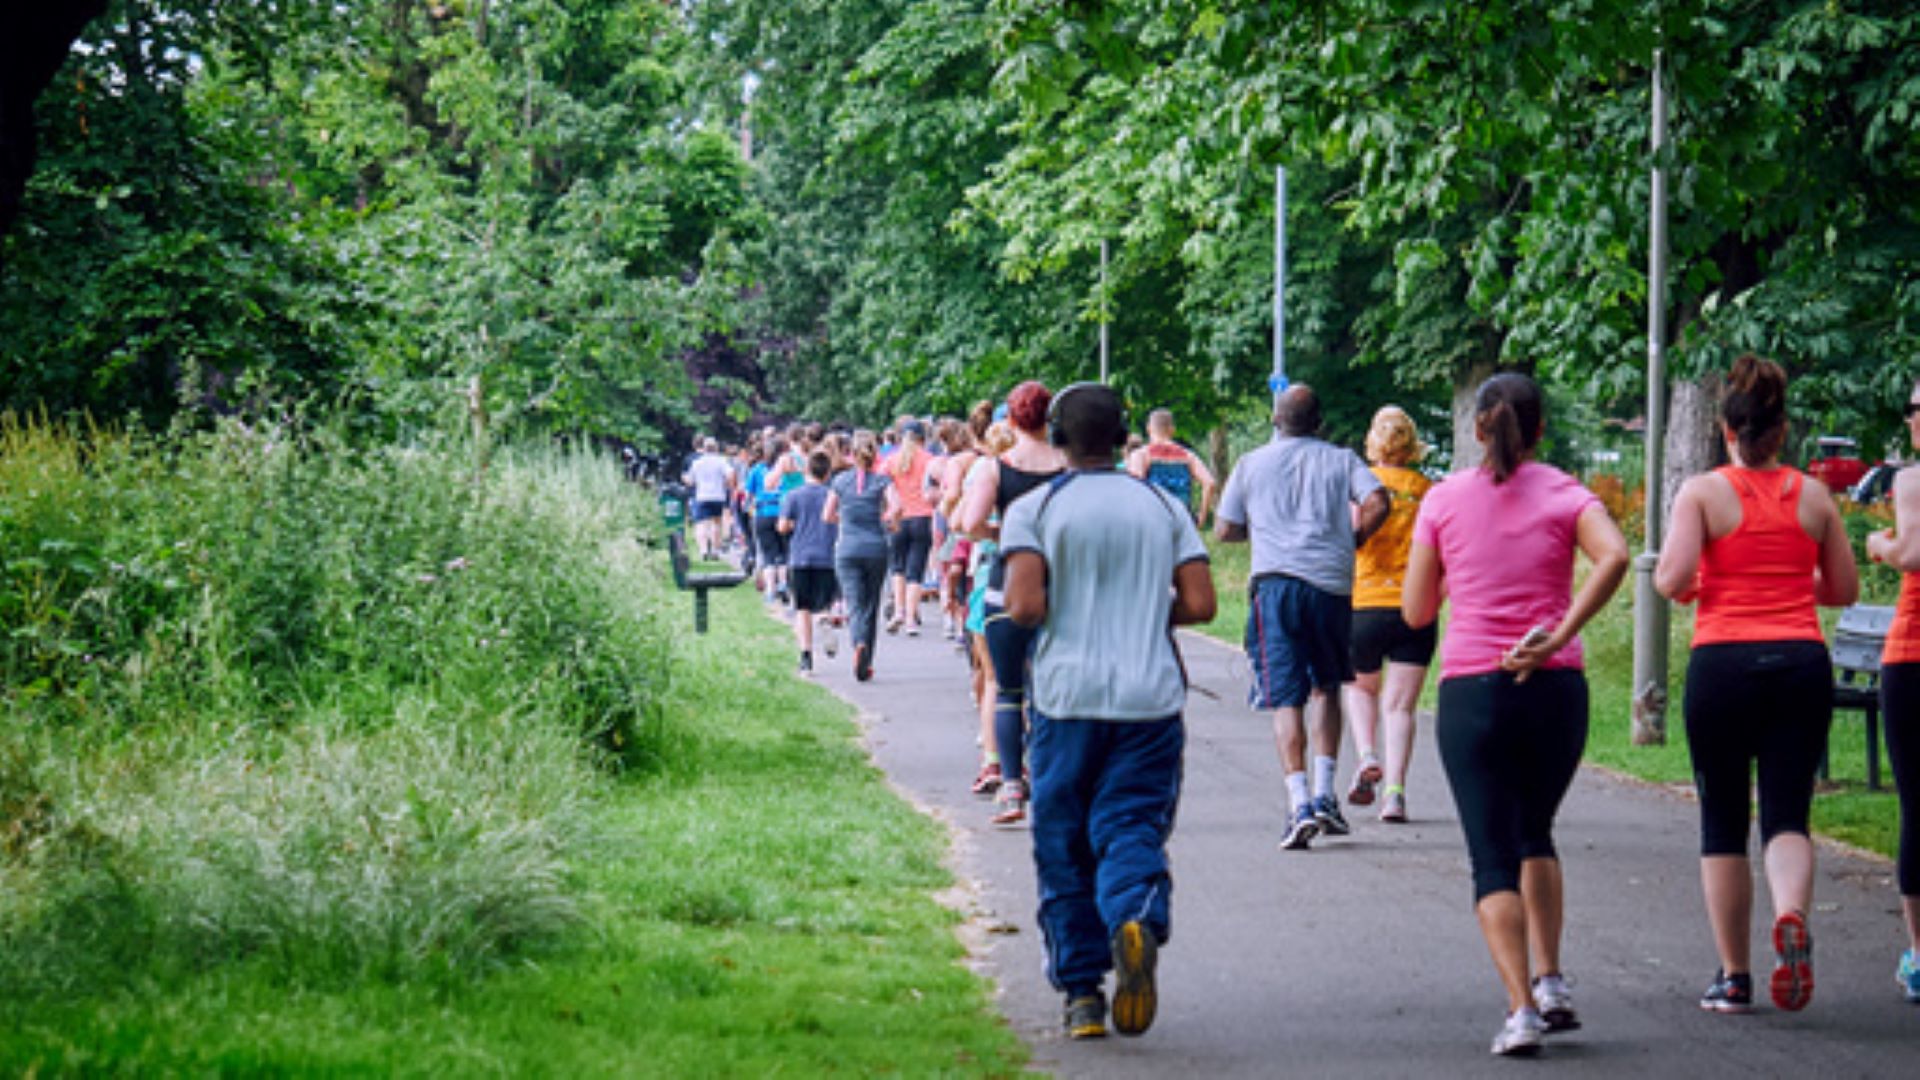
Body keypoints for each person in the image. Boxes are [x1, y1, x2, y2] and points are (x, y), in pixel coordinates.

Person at [1402, 372, 1629, 1056]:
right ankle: (1553, 980)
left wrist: (1453, 568)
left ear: (1478, 428)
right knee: (1537, 832)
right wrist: (1559, 633)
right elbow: (1615, 555)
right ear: (1538, 430)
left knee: (1491, 854)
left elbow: (1416, 612)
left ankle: (1521, 1009)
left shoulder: (1441, 502)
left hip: (1475, 689)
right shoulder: (1565, 492)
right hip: (1556, 688)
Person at [1001, 382, 1216, 1040]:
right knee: (1131, 825)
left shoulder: (1035, 509)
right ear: (1126, 437)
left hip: (1067, 699)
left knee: (1062, 841)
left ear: (1060, 439)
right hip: (1148, 697)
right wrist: (1149, 611)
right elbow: (1202, 604)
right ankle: (1135, 916)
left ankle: (1082, 996)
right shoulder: (1161, 508)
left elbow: (1025, 608)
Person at [1657, 355, 1859, 1015]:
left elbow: (1672, 580)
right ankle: (1791, 915)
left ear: (1726, 428)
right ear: (1782, 429)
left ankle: (1734, 976)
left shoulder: (1703, 493)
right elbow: (1844, 590)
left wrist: (1697, 582)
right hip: (1800, 661)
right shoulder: (1814, 496)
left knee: (1722, 820)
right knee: (1786, 813)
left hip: (1723, 665)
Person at [1215, 385, 1389, 849]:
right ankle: (1325, 793)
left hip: (1275, 586)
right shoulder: (1342, 460)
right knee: (1327, 684)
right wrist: (1353, 540)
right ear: (1319, 422)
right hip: (1331, 585)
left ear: (1276, 419)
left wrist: (1265, 525)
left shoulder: (1252, 464)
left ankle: (1298, 805)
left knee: (1285, 695)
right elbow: (1378, 502)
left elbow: (1225, 528)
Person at [957, 381, 1068, 826]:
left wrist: (1005, 535)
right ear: (1049, 418)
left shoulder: (995, 469)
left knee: (1006, 689)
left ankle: (1009, 787)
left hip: (1006, 586)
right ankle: (1051, 782)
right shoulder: (1068, 465)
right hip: (1058, 588)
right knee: (1052, 691)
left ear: (1010, 419)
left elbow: (968, 523)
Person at [1342, 406, 1436, 823]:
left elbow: (1347, 541)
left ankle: (1366, 756)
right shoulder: (1427, 490)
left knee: (1361, 690)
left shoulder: (1362, 485)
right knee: (1400, 708)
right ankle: (1395, 793)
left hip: (1364, 603)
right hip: (1413, 608)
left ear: (1373, 441)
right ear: (1411, 443)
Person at [1867, 374, 1920, 1004]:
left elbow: (1910, 552)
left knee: (1916, 804)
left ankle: (1919, 954)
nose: (1911, 419)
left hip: (1913, 657)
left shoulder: (1910, 479)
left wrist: (1878, 543)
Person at [825, 432, 892, 681]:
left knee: (854, 604)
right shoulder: (882, 481)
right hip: (876, 547)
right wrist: (887, 522)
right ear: (874, 455)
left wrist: (844, 518)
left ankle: (858, 643)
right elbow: (895, 509)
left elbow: (827, 514)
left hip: (847, 549)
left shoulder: (840, 481)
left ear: (850, 454)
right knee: (871, 604)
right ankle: (867, 658)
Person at [779, 451, 840, 675]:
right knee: (822, 604)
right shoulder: (832, 495)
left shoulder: (794, 496)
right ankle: (824, 619)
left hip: (800, 557)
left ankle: (806, 657)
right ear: (827, 474)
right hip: (827, 556)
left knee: (802, 608)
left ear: (807, 470)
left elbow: (783, 526)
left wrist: (795, 525)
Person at [1127, 409, 1218, 525]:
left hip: (1153, 521)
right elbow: (1209, 483)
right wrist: (1201, 517)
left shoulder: (1141, 455)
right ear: (1172, 430)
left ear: (1148, 428)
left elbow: (1136, 487)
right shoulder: (1188, 455)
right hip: (1182, 520)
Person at [682, 437, 734, 559]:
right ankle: (715, 550)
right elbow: (731, 474)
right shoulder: (721, 461)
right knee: (716, 523)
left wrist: (687, 480)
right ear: (716, 448)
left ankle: (703, 550)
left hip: (702, 495)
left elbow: (690, 480)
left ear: (704, 449)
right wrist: (726, 483)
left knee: (701, 524)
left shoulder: (697, 463)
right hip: (718, 495)